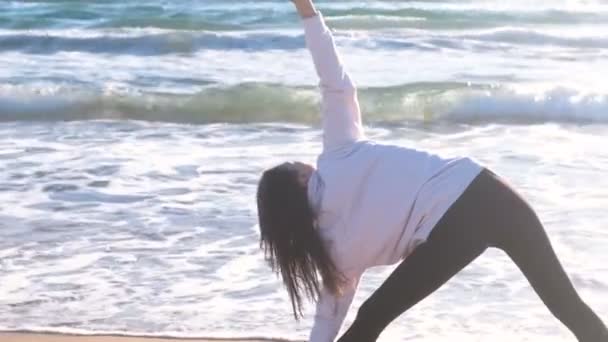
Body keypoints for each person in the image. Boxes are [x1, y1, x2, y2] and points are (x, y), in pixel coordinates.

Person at [255, 0, 608, 341]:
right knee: (567, 306)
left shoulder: (336, 255)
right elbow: (335, 80)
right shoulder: (338, 153)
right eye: (293, 164)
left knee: (370, 319)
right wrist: (307, 9)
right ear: (298, 180)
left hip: (458, 223)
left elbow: (327, 319)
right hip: (493, 191)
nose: (302, 162)